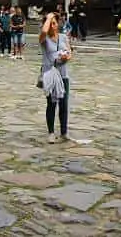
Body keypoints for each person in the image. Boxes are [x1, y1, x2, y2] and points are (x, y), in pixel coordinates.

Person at [39, 11, 72, 143]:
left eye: (55, 23)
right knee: (51, 104)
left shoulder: (63, 37)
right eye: (50, 23)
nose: (53, 25)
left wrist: (66, 57)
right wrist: (49, 17)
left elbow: (70, 52)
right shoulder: (44, 38)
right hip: (50, 74)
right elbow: (44, 30)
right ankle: (51, 132)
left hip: (63, 74)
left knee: (64, 104)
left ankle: (64, 132)